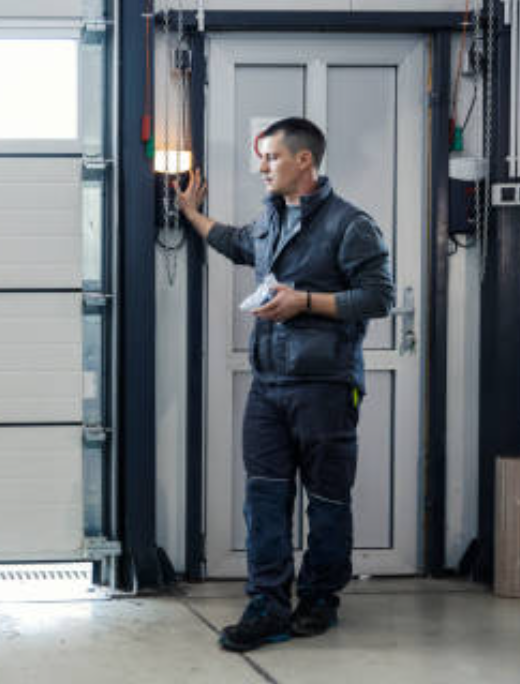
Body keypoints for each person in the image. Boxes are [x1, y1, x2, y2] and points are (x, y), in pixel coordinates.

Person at [175, 117, 394, 652]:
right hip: (268, 387)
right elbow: (236, 243)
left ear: (304, 161)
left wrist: (306, 301)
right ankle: (268, 605)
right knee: (265, 500)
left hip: (325, 387)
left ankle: (319, 600)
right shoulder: (270, 219)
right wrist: (191, 215)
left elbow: (379, 297)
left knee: (326, 501)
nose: (262, 167)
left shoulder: (351, 225)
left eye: (271, 157)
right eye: (262, 158)